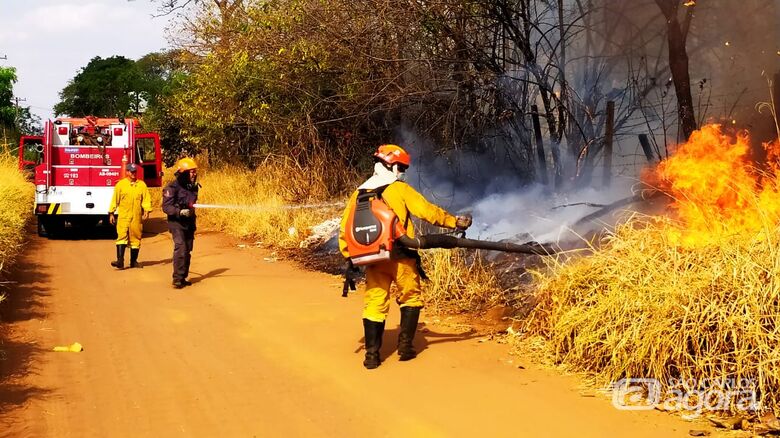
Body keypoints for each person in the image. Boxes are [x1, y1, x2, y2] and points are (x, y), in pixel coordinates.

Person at [338, 144, 472, 369]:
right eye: (401, 167)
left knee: (374, 303)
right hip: (402, 256)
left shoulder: (358, 194)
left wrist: (350, 258)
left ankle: (371, 355)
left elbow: (345, 230)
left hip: (374, 259)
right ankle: (405, 347)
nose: (402, 172)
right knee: (411, 297)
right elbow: (427, 211)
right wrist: (453, 221)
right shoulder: (399, 189)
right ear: (391, 165)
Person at [162, 158, 200, 289]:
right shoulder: (171, 188)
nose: (194, 174)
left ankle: (183, 277)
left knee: (188, 250)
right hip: (176, 223)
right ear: (183, 173)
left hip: (189, 223)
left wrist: (189, 211)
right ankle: (177, 278)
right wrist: (180, 212)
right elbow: (166, 207)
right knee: (181, 248)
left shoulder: (193, 187)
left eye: (195, 172)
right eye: (191, 172)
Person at [109, 163, 152, 269]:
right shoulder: (120, 185)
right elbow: (115, 199)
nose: (133, 173)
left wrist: (147, 210)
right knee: (122, 236)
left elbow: (146, 198)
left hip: (136, 216)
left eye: (134, 171)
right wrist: (111, 213)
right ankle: (120, 261)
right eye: (131, 171)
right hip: (124, 216)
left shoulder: (141, 185)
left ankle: (133, 262)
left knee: (136, 238)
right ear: (127, 172)